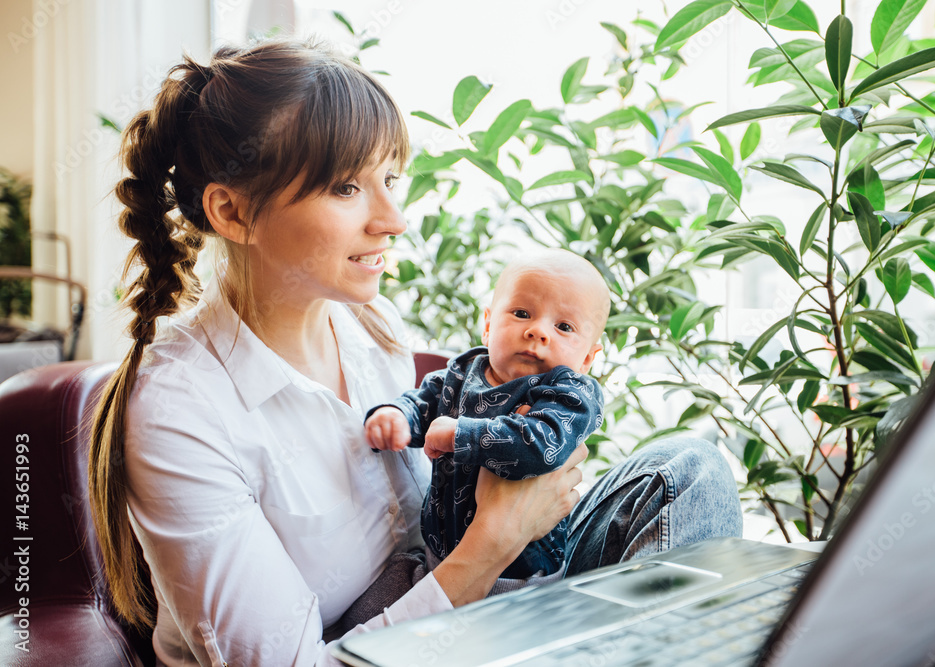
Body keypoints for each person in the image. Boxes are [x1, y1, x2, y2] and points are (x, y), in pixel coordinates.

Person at [87, 39, 743, 667]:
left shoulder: (370, 322)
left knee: (688, 468)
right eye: (346, 187)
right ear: (233, 212)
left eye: (390, 179)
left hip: (453, 594)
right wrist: (496, 540)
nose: (393, 218)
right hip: (373, 641)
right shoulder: (180, 408)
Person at [365, 250, 609, 581]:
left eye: (564, 326)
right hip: (439, 558)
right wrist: (397, 416)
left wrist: (459, 435)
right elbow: (425, 400)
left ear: (587, 359)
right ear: (489, 325)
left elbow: (541, 445)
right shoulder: (465, 371)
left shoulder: (568, 394)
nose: (538, 331)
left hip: (522, 576)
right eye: (522, 313)